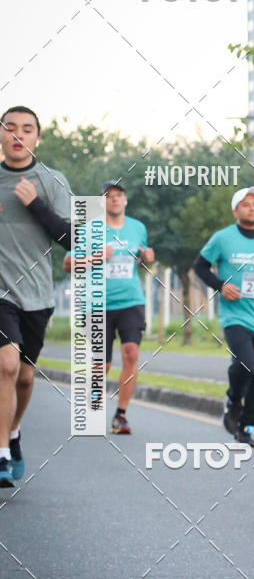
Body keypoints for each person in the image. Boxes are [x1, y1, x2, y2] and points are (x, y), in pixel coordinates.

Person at [0, 106, 71, 487]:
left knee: (25, 377)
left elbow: (71, 237)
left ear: (36, 138)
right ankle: (1, 456)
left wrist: (35, 205)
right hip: (1, 295)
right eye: (9, 128)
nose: (17, 135)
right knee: (6, 366)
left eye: (26, 129)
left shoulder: (50, 181)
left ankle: (13, 432)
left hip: (37, 295)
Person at [194, 187, 254, 447]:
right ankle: (232, 399)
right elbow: (200, 266)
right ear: (235, 211)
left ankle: (246, 426)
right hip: (235, 317)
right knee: (246, 365)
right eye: (246, 204)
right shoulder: (222, 238)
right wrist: (220, 286)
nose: (252, 208)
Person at [64, 181, 154, 434]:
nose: (115, 199)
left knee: (131, 354)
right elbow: (68, 264)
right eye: (109, 196)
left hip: (131, 301)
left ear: (125, 200)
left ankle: (121, 415)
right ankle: (94, 398)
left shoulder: (138, 228)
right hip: (97, 303)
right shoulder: (90, 229)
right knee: (101, 365)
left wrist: (147, 258)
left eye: (119, 195)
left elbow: (140, 259)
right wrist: (95, 258)